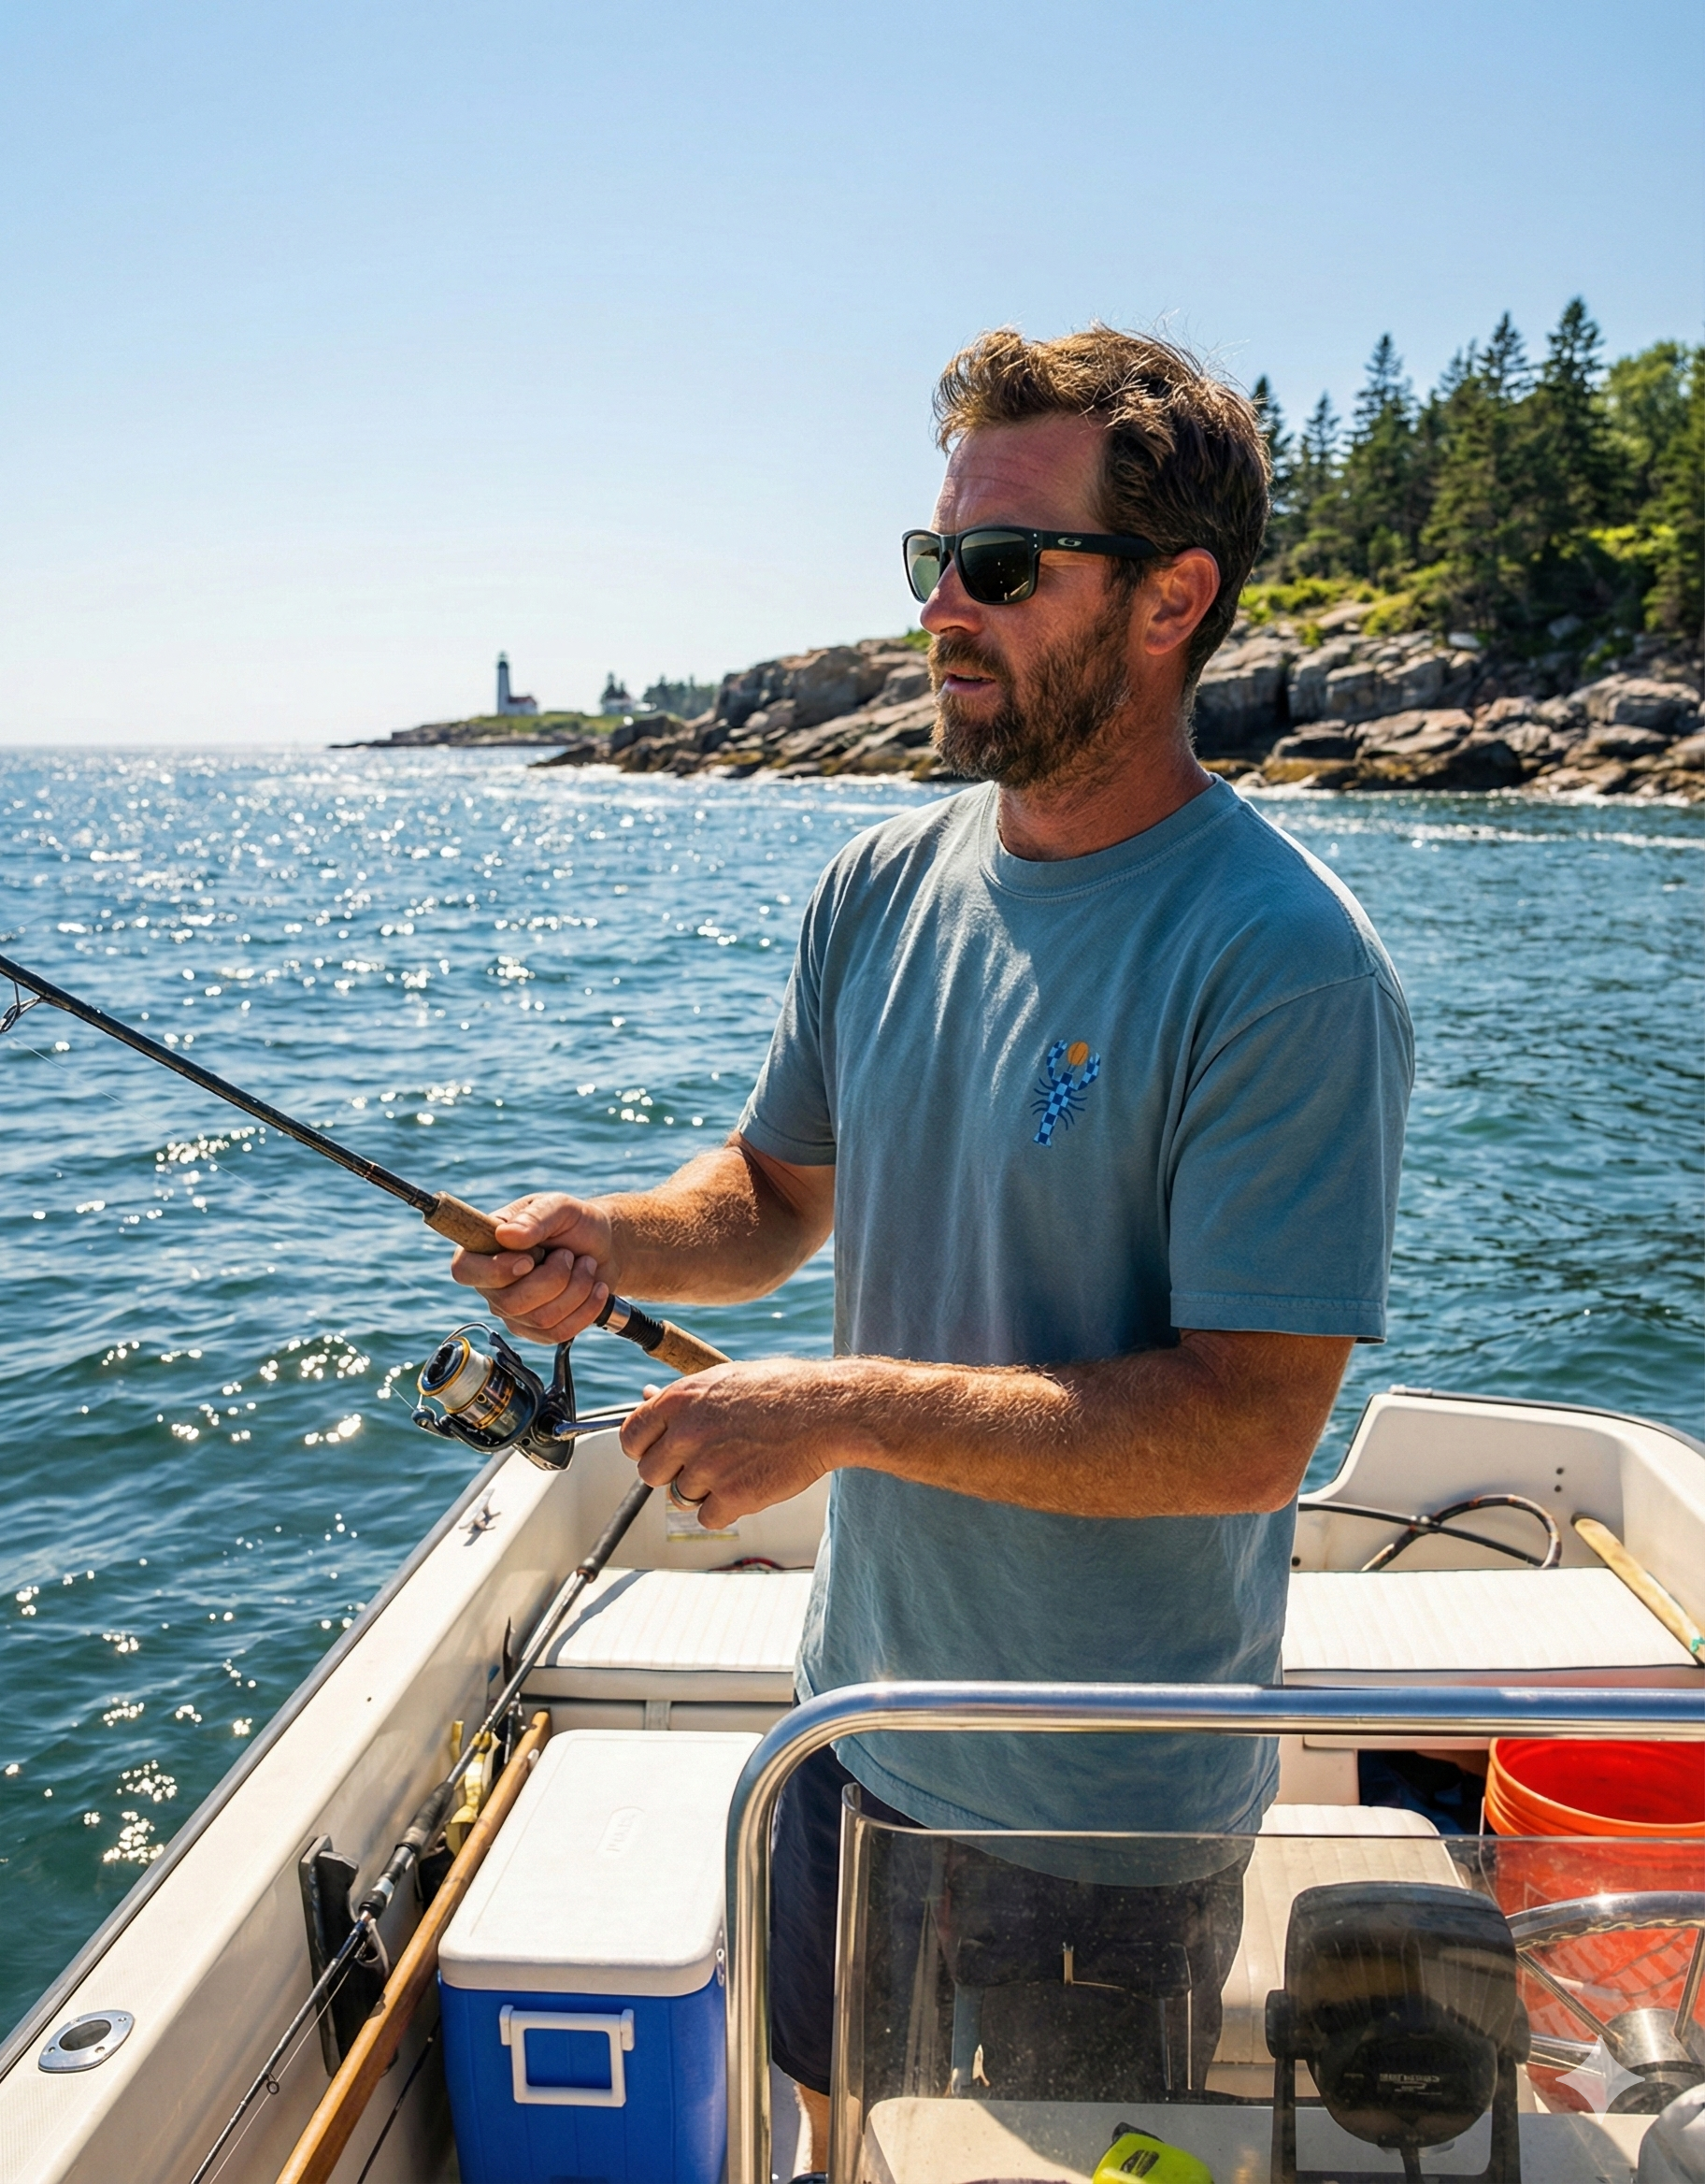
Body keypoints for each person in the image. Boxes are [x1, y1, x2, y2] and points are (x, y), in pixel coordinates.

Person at [451, 326, 1412, 2134]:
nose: (940, 614)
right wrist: (612, 1240)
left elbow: (1244, 1432)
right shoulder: (877, 888)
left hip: (1101, 1806)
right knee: (846, 2143)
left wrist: (830, 1411)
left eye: (996, 566)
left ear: (1170, 598)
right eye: (931, 561)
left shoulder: (1285, 965)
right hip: (852, 1726)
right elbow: (773, 1200)